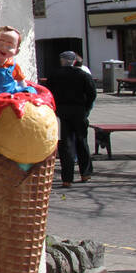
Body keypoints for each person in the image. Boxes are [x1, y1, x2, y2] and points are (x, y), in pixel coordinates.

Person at [47, 50, 97, 187]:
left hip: (61, 112)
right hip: (79, 111)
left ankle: (67, 178)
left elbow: (48, 93)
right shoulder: (83, 75)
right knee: (82, 141)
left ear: (62, 60)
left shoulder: (54, 75)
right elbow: (92, 93)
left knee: (65, 145)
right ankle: (85, 173)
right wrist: (85, 108)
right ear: (74, 61)